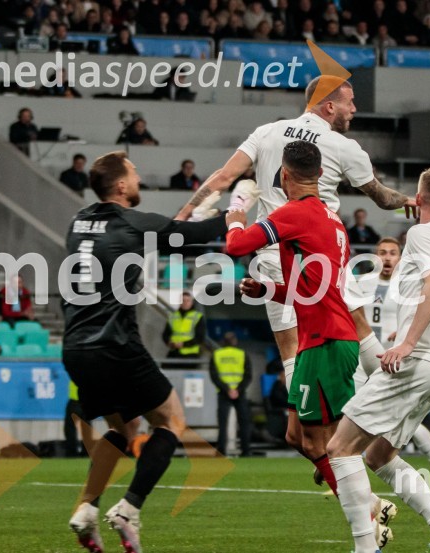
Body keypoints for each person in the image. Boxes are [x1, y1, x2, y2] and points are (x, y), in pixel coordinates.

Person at [174, 77, 416, 487]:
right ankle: (390, 411)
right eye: (349, 102)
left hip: (276, 257)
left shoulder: (267, 132)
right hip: (326, 254)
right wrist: (408, 199)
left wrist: (182, 216)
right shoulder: (343, 147)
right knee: (359, 334)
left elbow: (223, 177)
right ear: (328, 106)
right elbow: (380, 196)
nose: (354, 109)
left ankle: (330, 448)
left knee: (296, 359)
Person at [64, 151, 232, 552]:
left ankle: (86, 508)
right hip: (115, 343)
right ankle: (129, 509)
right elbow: (191, 236)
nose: (139, 180)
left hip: (76, 347)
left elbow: (160, 237)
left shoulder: (78, 222)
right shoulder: (131, 222)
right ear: (121, 185)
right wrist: (236, 213)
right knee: (171, 421)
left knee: (123, 430)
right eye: (134, 174)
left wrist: (183, 219)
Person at [327, 166, 430, 553]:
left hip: (417, 360)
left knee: (340, 448)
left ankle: (365, 547)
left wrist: (409, 341)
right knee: (379, 455)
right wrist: (423, 335)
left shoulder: (422, 233)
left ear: (419, 199)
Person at [228, 140, 359, 500]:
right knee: (297, 436)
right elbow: (312, 291)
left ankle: (366, 512)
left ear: (284, 176)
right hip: (321, 339)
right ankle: (361, 502)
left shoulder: (294, 213)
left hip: (326, 341)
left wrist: (235, 218)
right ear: (320, 174)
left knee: (323, 443)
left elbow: (236, 246)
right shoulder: (334, 221)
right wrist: (267, 289)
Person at [354, 237, 430, 493]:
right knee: (353, 417)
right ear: (375, 256)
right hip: (363, 358)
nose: (387, 257)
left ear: (400, 257)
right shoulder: (362, 283)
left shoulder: (408, 283)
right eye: (382, 252)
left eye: (392, 253)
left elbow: (423, 313)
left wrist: (403, 336)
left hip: (394, 360)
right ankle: (350, 479)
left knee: (404, 418)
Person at [209, 331, 252, 457]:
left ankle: (221, 450)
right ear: (235, 341)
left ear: (223, 342)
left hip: (223, 393)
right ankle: (246, 451)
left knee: (223, 423)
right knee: (244, 422)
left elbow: (214, 376)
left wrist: (227, 389)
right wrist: (238, 390)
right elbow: (248, 375)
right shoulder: (242, 354)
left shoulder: (216, 354)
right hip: (240, 393)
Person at [162, 291, 205, 364]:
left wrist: (183, 344)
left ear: (192, 302)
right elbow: (165, 334)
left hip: (191, 354)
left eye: (188, 301)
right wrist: (169, 342)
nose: (185, 303)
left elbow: (200, 337)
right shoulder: (173, 316)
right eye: (183, 300)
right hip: (174, 352)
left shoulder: (198, 316)